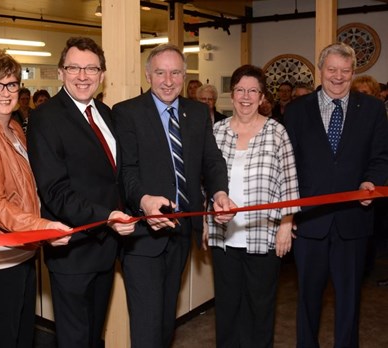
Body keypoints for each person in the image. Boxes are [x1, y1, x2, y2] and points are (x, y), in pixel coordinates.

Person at [112, 44, 234, 347]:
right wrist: (143, 201)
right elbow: (126, 170)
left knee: (167, 316)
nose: (168, 80)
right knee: (146, 321)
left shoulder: (196, 112)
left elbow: (212, 160)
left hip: (181, 233)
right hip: (143, 235)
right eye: (161, 72)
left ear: (184, 75)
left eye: (176, 72)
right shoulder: (127, 112)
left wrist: (219, 192)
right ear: (148, 74)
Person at [27, 37, 136, 348]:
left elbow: (116, 177)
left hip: (107, 247)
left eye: (91, 68)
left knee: (93, 335)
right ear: (61, 72)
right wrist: (107, 216)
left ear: (102, 75)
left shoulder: (105, 112)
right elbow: (55, 191)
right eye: (74, 67)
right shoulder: (45, 118)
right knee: (74, 339)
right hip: (72, 249)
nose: (83, 76)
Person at [0, 50, 71, 348]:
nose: (5, 92)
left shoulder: (13, 128)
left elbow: (27, 188)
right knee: (1, 338)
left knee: (22, 337)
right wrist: (41, 227)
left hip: (21, 249)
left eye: (11, 84)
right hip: (0, 258)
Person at [284, 42, 388, 348]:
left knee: (349, 300)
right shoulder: (297, 110)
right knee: (307, 300)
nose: (338, 77)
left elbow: (381, 156)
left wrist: (371, 181)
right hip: (310, 222)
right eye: (332, 70)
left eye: (345, 71)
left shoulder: (371, 109)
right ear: (321, 70)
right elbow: (287, 164)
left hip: (354, 221)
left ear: (354, 72)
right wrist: (288, 215)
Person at [205, 64, 300, 347]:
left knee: (260, 307)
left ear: (262, 98)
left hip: (263, 237)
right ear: (232, 94)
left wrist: (286, 225)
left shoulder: (276, 132)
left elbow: (289, 183)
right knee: (227, 307)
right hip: (224, 238)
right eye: (240, 90)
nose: (246, 97)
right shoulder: (216, 131)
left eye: (253, 91)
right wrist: (205, 222)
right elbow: (205, 181)